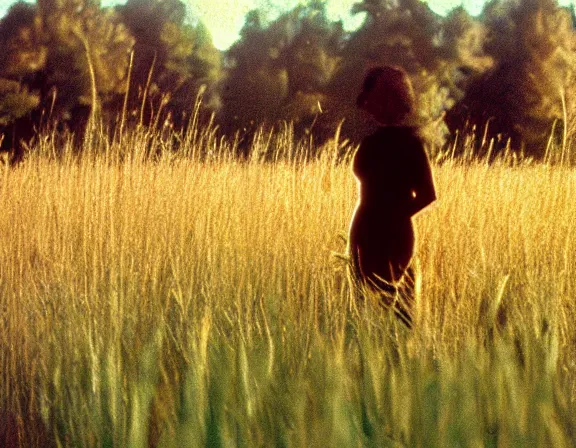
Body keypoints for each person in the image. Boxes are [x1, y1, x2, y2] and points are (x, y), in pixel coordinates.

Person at [349, 66, 437, 328]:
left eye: (373, 98)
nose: (367, 107)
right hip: (368, 232)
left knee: (389, 310)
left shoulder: (410, 144)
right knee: (372, 311)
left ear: (387, 100)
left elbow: (427, 194)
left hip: (388, 234)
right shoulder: (375, 143)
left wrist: (391, 218)